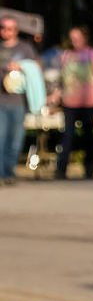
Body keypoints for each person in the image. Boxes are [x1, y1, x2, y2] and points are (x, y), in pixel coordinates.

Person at [53, 25, 93, 180]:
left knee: (88, 136)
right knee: (67, 136)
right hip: (70, 102)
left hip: (89, 103)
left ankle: (90, 168)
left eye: (77, 37)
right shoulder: (66, 55)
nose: (74, 40)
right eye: (72, 37)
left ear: (84, 38)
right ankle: (61, 169)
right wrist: (56, 96)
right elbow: (61, 80)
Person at [0, 13, 40, 184]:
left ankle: (9, 173)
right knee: (0, 138)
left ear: (16, 30)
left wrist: (22, 65)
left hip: (18, 102)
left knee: (15, 140)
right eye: (3, 28)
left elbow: (37, 66)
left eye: (10, 28)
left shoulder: (25, 48)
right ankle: (1, 174)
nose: (6, 31)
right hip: (1, 101)